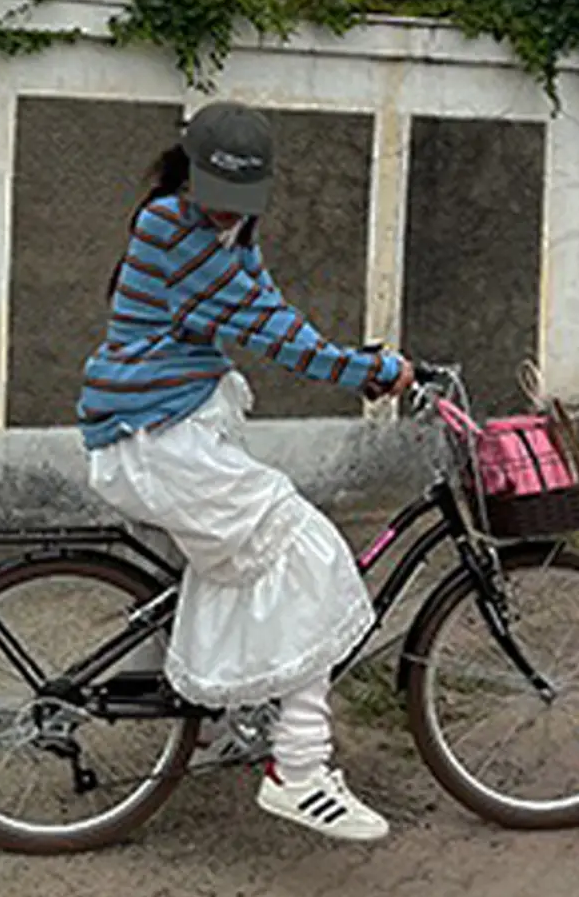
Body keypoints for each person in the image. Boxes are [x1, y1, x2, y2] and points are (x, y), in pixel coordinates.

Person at [78, 101, 413, 842]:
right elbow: (263, 330)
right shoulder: (172, 228)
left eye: (240, 200)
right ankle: (299, 769)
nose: (228, 211)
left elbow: (271, 310)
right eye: (218, 195)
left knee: (239, 568)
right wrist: (373, 370)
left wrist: (353, 363)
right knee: (304, 552)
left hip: (177, 433)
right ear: (189, 174)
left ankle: (212, 732)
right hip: (157, 441)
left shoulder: (227, 232)